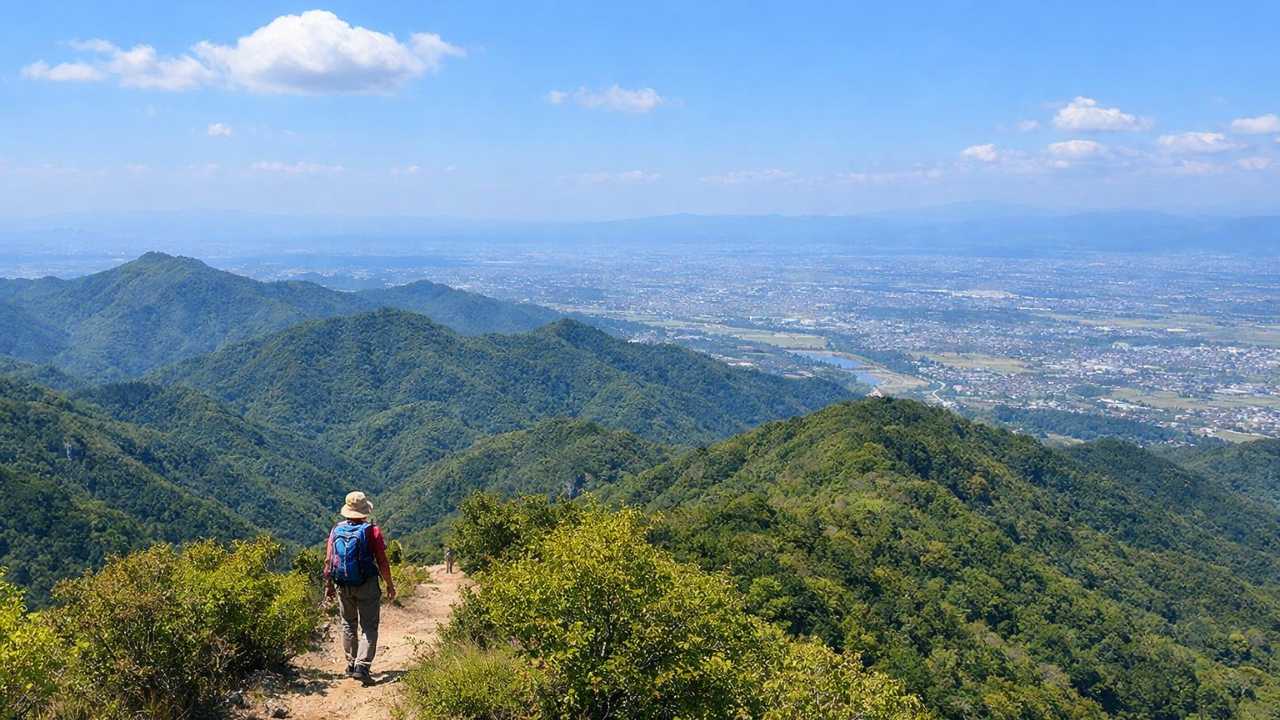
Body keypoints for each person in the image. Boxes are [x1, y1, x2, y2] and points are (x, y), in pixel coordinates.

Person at [324, 491, 397, 685]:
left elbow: (329, 560)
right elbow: (382, 561)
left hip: (342, 584)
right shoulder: (371, 531)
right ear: (365, 511)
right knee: (369, 626)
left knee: (348, 623)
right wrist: (389, 584)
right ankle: (362, 667)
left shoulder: (336, 530)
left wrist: (329, 585)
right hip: (367, 584)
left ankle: (350, 664)